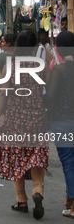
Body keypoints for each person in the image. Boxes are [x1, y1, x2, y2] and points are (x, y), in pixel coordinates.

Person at [0, 31, 49, 220]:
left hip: (15, 119)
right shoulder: (43, 67)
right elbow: (49, 91)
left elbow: (4, 94)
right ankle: (37, 192)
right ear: (34, 47)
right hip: (37, 119)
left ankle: (21, 200)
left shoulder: (12, 67)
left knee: (17, 157)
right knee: (36, 155)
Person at [43, 31, 74, 218]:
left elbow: (50, 97)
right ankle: (69, 199)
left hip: (62, 121)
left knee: (69, 164)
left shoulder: (59, 70)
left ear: (58, 49)